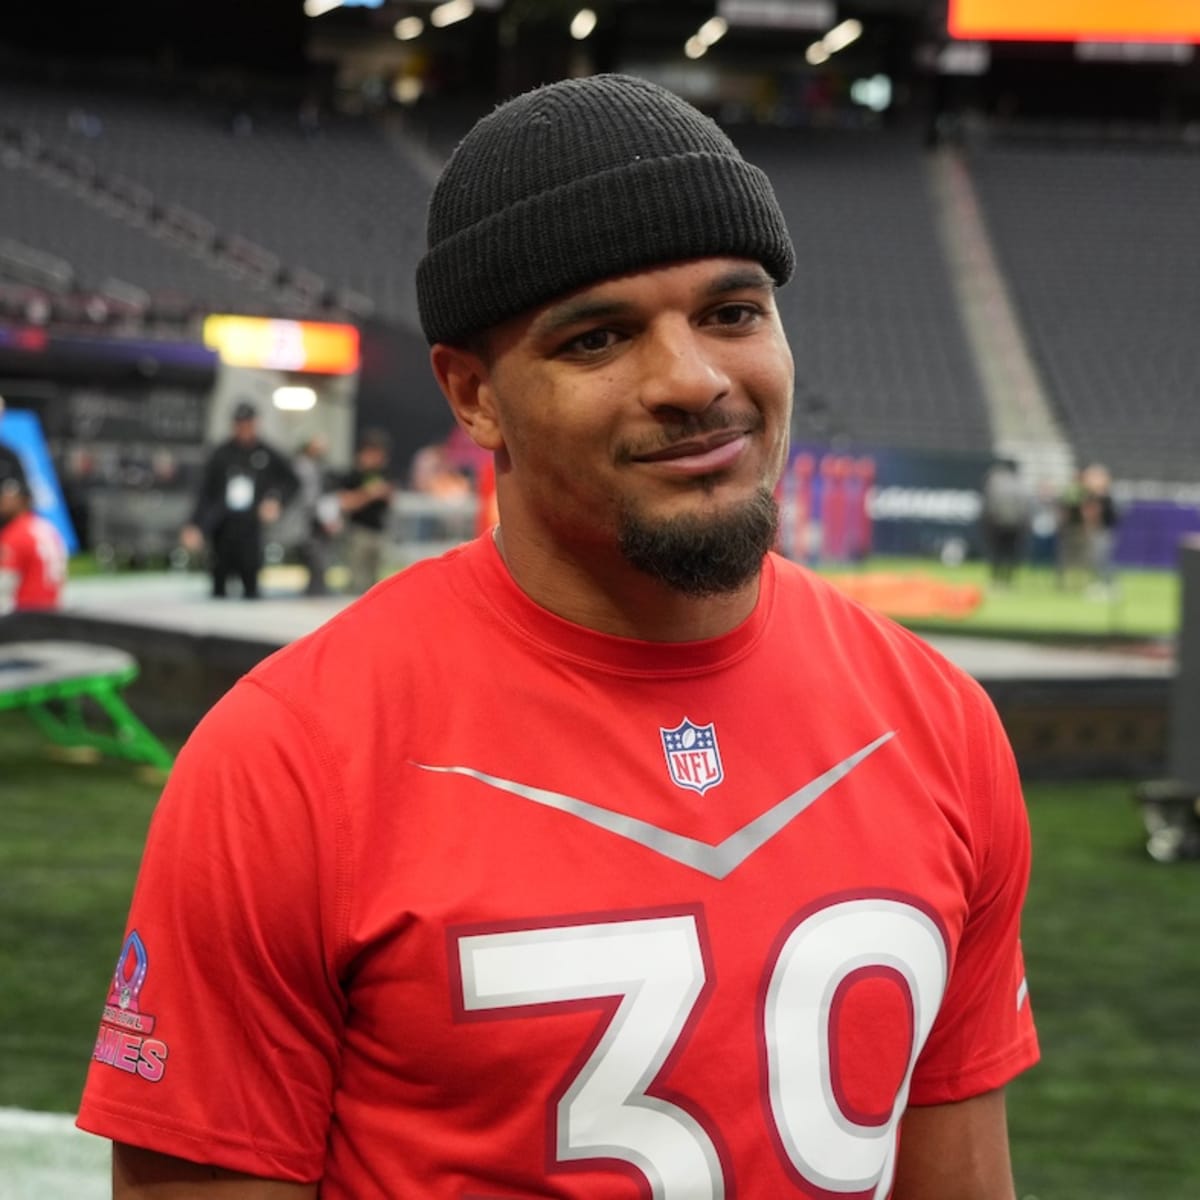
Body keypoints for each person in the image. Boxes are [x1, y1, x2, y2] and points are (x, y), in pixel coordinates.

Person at [77, 75, 1038, 1199]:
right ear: (474, 397)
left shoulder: (936, 724)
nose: (694, 380)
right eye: (598, 338)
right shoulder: (291, 763)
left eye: (732, 312)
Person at [180, 401, 298, 599]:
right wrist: (194, 524)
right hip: (223, 525)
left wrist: (275, 501)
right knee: (219, 580)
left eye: (248, 424)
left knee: (250, 578)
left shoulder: (267, 453)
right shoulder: (221, 454)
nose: (244, 429)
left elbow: (291, 481)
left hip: (251, 526)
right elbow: (205, 492)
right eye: (240, 424)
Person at [336, 428, 395, 593]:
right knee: (358, 582)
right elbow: (345, 503)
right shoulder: (352, 475)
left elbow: (390, 499)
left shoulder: (383, 474)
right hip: (358, 532)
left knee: (378, 584)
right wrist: (369, 493)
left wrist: (385, 493)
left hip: (379, 531)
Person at [0, 475, 67, 613]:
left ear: (24, 500)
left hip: (24, 616)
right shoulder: (46, 527)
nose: (3, 501)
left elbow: (4, 584)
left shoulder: (15, 534)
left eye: (9, 497)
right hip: (51, 612)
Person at [291, 433, 340, 597]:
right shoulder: (302, 465)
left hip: (320, 517)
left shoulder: (322, 467)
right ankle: (314, 589)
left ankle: (318, 588)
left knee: (321, 556)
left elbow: (327, 494)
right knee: (313, 555)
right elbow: (309, 497)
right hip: (308, 518)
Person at [980, 458, 1032, 587]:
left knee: (997, 552)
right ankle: (1008, 580)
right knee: (1011, 553)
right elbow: (1025, 505)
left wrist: (988, 520)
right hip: (1015, 525)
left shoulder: (995, 480)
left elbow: (990, 503)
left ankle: (995, 579)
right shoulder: (1020, 482)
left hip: (997, 523)